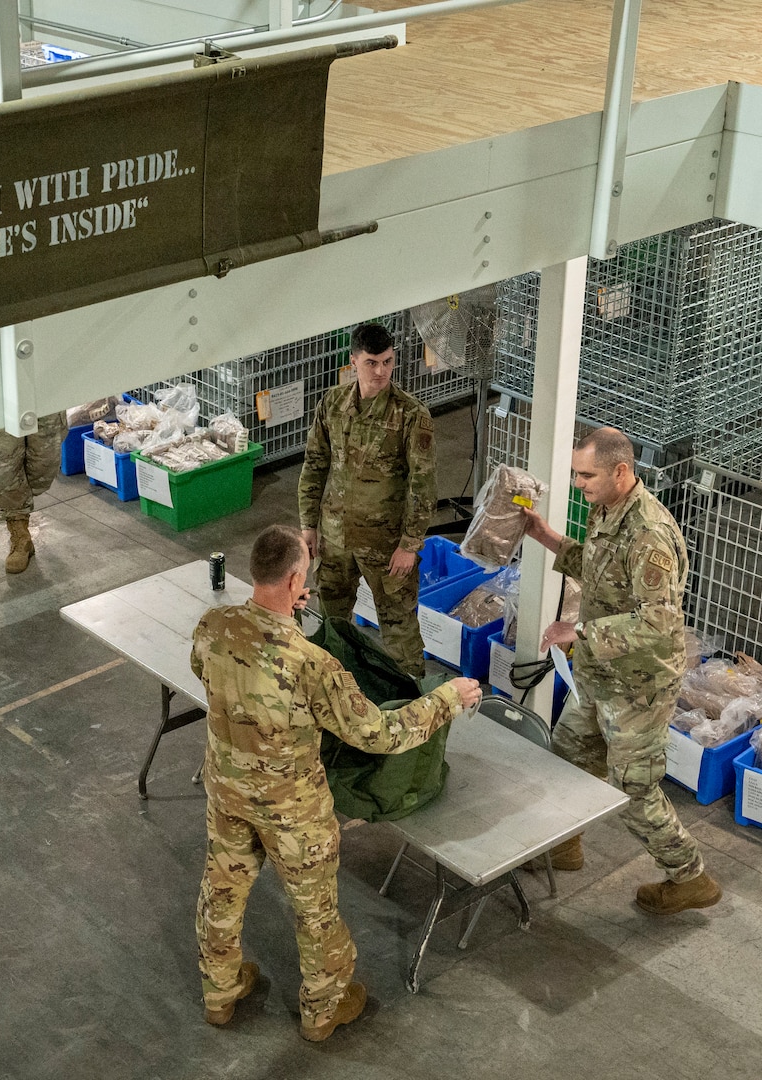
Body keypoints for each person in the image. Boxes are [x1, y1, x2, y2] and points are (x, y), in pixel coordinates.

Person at [191, 525, 481, 1041]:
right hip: (293, 811)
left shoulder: (213, 625)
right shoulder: (312, 664)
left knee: (223, 890)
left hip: (229, 791)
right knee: (314, 911)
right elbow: (378, 733)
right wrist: (446, 700)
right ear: (297, 579)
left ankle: (220, 992)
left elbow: (207, 673)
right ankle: (323, 1010)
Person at [520, 428, 721, 916]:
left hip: (639, 685)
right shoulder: (609, 507)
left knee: (632, 788)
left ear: (621, 471)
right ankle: (565, 846)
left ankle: (689, 877)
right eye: (576, 474)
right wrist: (545, 535)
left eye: (586, 475)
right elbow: (598, 567)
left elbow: (659, 621)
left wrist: (581, 631)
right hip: (601, 674)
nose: (579, 483)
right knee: (569, 754)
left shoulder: (649, 535)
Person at [298, 323, 437, 677]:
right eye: (372, 363)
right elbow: (315, 464)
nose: (381, 372)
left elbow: (423, 486)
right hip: (334, 538)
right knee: (333, 624)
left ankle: (411, 703)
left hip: (385, 544)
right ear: (354, 361)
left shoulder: (411, 415)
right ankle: (336, 693)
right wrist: (308, 525)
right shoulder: (332, 403)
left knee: (399, 630)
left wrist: (409, 544)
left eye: (388, 362)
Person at [0, 412, 67, 574]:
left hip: (44, 393)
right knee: (5, 468)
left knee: (45, 461)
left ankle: (19, 503)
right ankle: (20, 535)